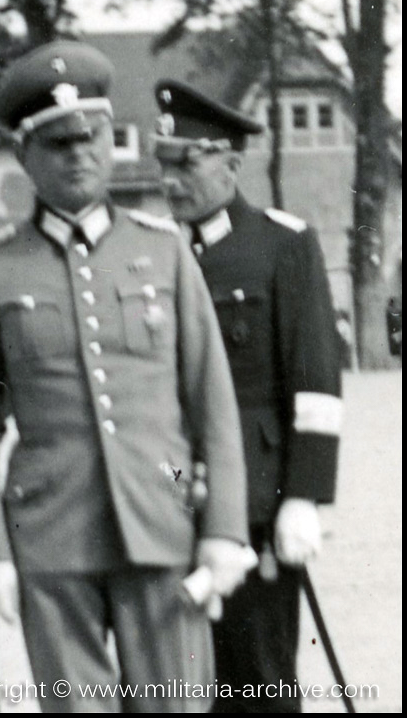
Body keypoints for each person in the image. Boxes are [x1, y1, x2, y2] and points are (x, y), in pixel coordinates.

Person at [0, 41, 253, 713]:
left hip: (161, 520)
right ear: (26, 156)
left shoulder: (163, 249)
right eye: (59, 143)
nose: (81, 153)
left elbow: (213, 402)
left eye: (93, 137)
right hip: (51, 533)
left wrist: (225, 527)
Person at [152, 79, 342, 713]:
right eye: (163, 163)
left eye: (187, 162)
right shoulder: (150, 254)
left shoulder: (281, 244)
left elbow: (314, 382)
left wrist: (306, 498)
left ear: (231, 164)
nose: (171, 179)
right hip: (168, 499)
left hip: (259, 506)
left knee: (256, 681)